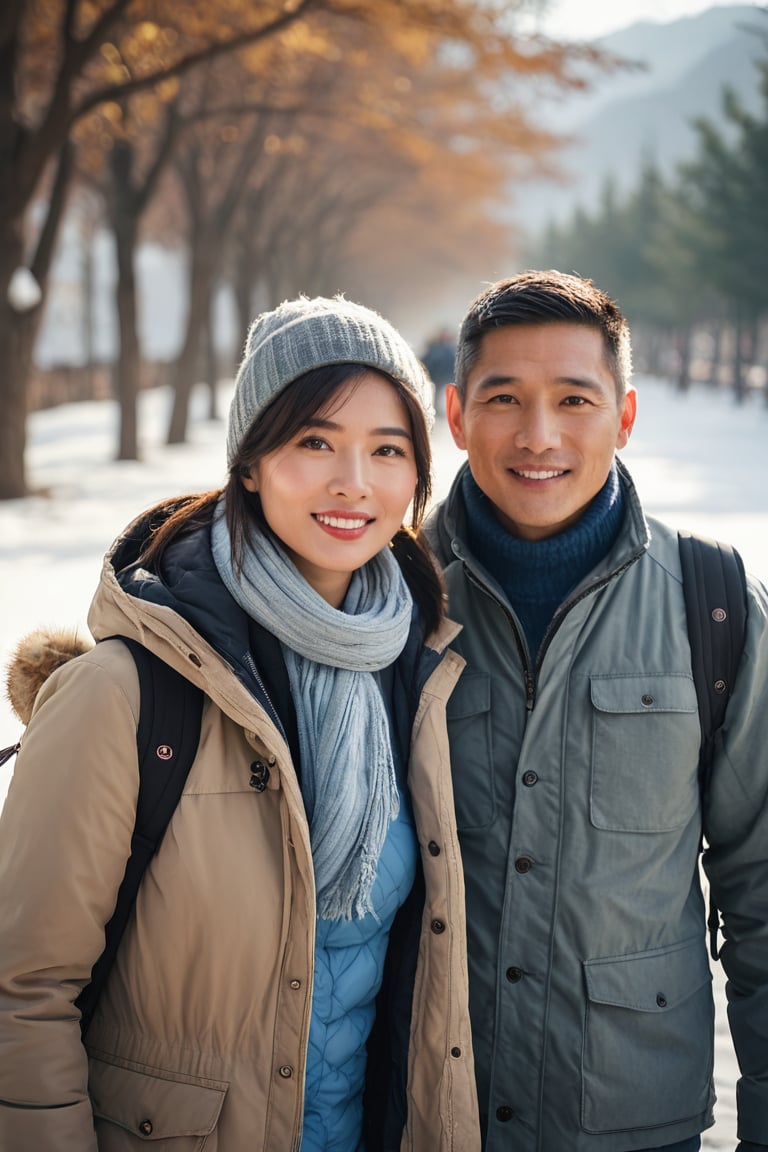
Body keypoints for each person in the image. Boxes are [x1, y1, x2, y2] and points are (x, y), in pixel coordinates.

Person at [0, 295, 480, 1152]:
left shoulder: (418, 675)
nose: (353, 482)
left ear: (418, 478)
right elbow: (23, 994)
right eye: (314, 442)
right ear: (250, 463)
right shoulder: (126, 694)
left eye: (388, 450)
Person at [422, 269, 768, 1152]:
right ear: (457, 415)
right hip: (421, 1107)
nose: (539, 435)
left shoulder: (715, 603)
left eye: (575, 398)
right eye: (506, 399)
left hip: (627, 1116)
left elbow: (763, 888)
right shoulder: (389, 596)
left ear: (625, 416)